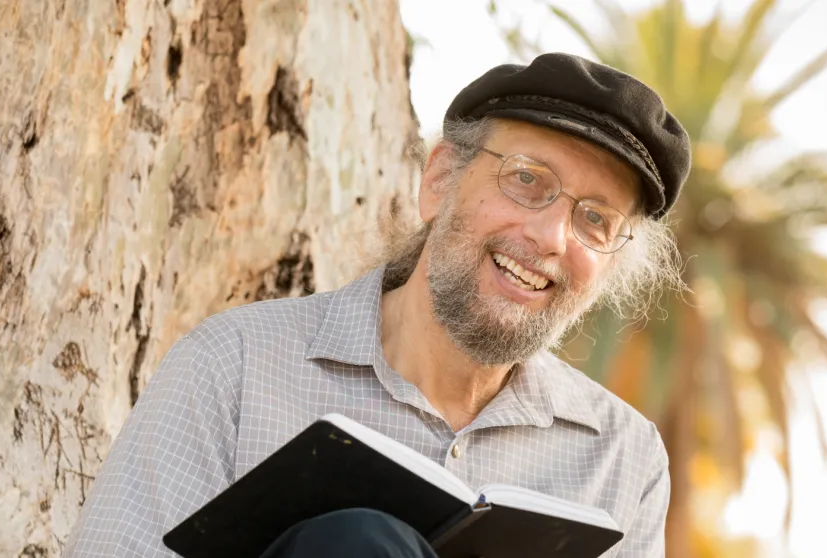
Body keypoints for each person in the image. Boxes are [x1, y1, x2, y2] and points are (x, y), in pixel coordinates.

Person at [66, 52, 691, 557]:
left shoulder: (623, 458)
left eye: (595, 220)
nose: (552, 238)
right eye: (528, 180)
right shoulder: (234, 366)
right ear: (440, 180)